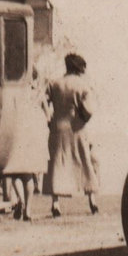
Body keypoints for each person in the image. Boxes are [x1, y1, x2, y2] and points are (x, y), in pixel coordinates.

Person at [44, 53, 100, 217]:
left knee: (57, 164)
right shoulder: (82, 85)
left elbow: (43, 101)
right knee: (85, 161)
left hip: (58, 127)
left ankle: (56, 204)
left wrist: (49, 118)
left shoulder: (54, 83)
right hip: (77, 127)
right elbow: (88, 110)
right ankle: (92, 202)